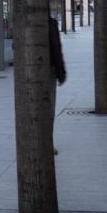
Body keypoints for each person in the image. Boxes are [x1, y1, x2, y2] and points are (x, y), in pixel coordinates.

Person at [49, 14, 66, 155]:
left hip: (30, 72)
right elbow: (56, 49)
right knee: (49, 109)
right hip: (49, 71)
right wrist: (61, 74)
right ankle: (48, 142)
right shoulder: (51, 24)